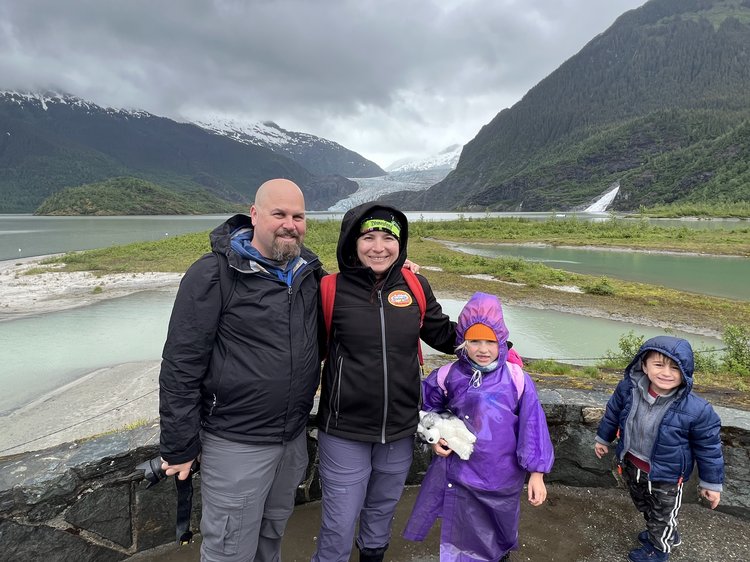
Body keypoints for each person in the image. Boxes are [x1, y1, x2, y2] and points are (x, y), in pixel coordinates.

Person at [159, 178, 323, 562]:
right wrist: (179, 446)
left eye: (298, 216)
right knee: (229, 549)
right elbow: (181, 365)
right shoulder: (213, 273)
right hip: (236, 444)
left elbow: (342, 308)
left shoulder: (308, 272)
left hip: (290, 440)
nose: (290, 224)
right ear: (254, 214)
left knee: (271, 535)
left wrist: (399, 272)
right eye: (278, 213)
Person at [311, 203, 457, 562]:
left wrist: (493, 344)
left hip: (398, 431)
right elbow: (307, 352)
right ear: (352, 242)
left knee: (379, 516)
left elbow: (441, 333)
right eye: (368, 237)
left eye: (388, 238)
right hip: (344, 430)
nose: (379, 247)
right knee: (339, 523)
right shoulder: (329, 289)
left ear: (400, 243)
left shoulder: (415, 286)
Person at [403, 292, 554, 561]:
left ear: (502, 341)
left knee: (501, 532)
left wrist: (537, 473)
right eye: (474, 341)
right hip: (462, 474)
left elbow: (533, 426)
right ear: (462, 342)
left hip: (503, 477)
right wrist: (435, 438)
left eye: (490, 341)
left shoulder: (517, 378)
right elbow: (426, 411)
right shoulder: (446, 376)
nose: (483, 349)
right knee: (462, 535)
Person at [594, 335, 724, 562]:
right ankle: (664, 534)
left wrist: (711, 483)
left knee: (662, 514)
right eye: (658, 364)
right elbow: (613, 413)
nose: (666, 373)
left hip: (668, 477)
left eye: (675, 368)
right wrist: (603, 439)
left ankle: (659, 550)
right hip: (633, 465)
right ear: (644, 365)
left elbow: (709, 448)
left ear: (686, 372)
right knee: (645, 506)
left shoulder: (698, 410)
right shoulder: (629, 389)